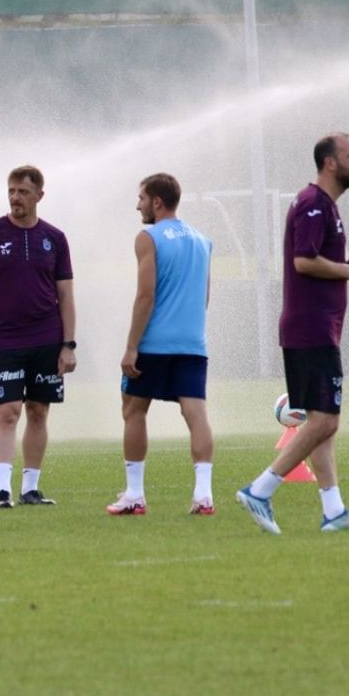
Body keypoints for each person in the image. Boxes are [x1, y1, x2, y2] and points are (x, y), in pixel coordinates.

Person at [235, 132, 349, 534]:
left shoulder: (326, 206)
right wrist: (348, 271)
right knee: (325, 422)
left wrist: (339, 264)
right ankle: (260, 490)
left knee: (322, 423)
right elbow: (303, 261)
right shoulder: (313, 204)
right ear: (330, 163)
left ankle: (333, 511)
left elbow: (316, 259)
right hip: (310, 329)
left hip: (317, 328)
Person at [0, 165, 76, 508]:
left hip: (47, 338)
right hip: (5, 341)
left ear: (39, 196)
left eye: (23, 192)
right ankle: (3, 490)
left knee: (39, 411)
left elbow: (66, 296)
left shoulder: (55, 239)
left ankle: (30, 488)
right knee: (7, 412)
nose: (15, 197)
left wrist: (68, 345)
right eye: (11, 191)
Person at [110, 173, 215, 516]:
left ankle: (135, 495)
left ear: (156, 201)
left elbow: (145, 296)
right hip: (192, 343)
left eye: (141, 198)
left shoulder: (148, 237)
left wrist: (130, 346)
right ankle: (203, 496)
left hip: (154, 343)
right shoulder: (203, 240)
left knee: (134, 410)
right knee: (196, 414)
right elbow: (205, 297)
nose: (138, 204)